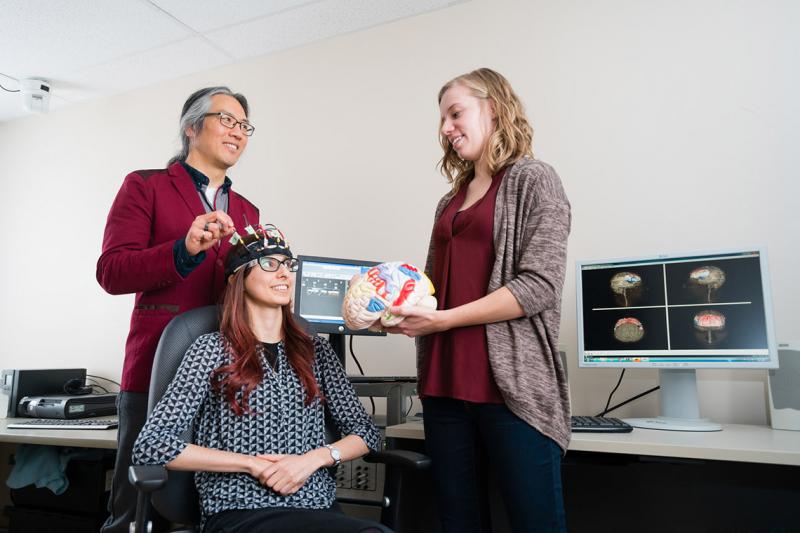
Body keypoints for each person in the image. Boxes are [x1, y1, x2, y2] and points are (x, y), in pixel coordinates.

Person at [386, 68, 571, 532]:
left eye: (455, 113)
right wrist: (395, 309)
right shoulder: (449, 201)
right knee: (458, 524)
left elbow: (539, 285)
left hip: (509, 391)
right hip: (444, 388)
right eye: (442, 119)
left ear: (494, 108)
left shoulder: (534, 180)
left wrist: (444, 320)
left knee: (535, 524)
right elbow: (432, 290)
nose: (446, 128)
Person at [132, 226, 389, 533]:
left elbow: (365, 432)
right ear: (237, 278)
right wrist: (251, 463)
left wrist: (313, 460)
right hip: (239, 509)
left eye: (287, 264)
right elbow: (152, 445)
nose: (284, 273)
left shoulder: (315, 350)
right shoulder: (210, 348)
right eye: (269, 263)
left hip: (315, 505)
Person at [96, 86, 260, 533]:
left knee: (204, 507)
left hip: (225, 379)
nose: (238, 131)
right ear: (191, 127)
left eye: (244, 125)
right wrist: (183, 248)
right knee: (137, 507)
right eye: (226, 119)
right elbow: (111, 271)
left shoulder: (248, 211)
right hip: (156, 371)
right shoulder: (145, 185)